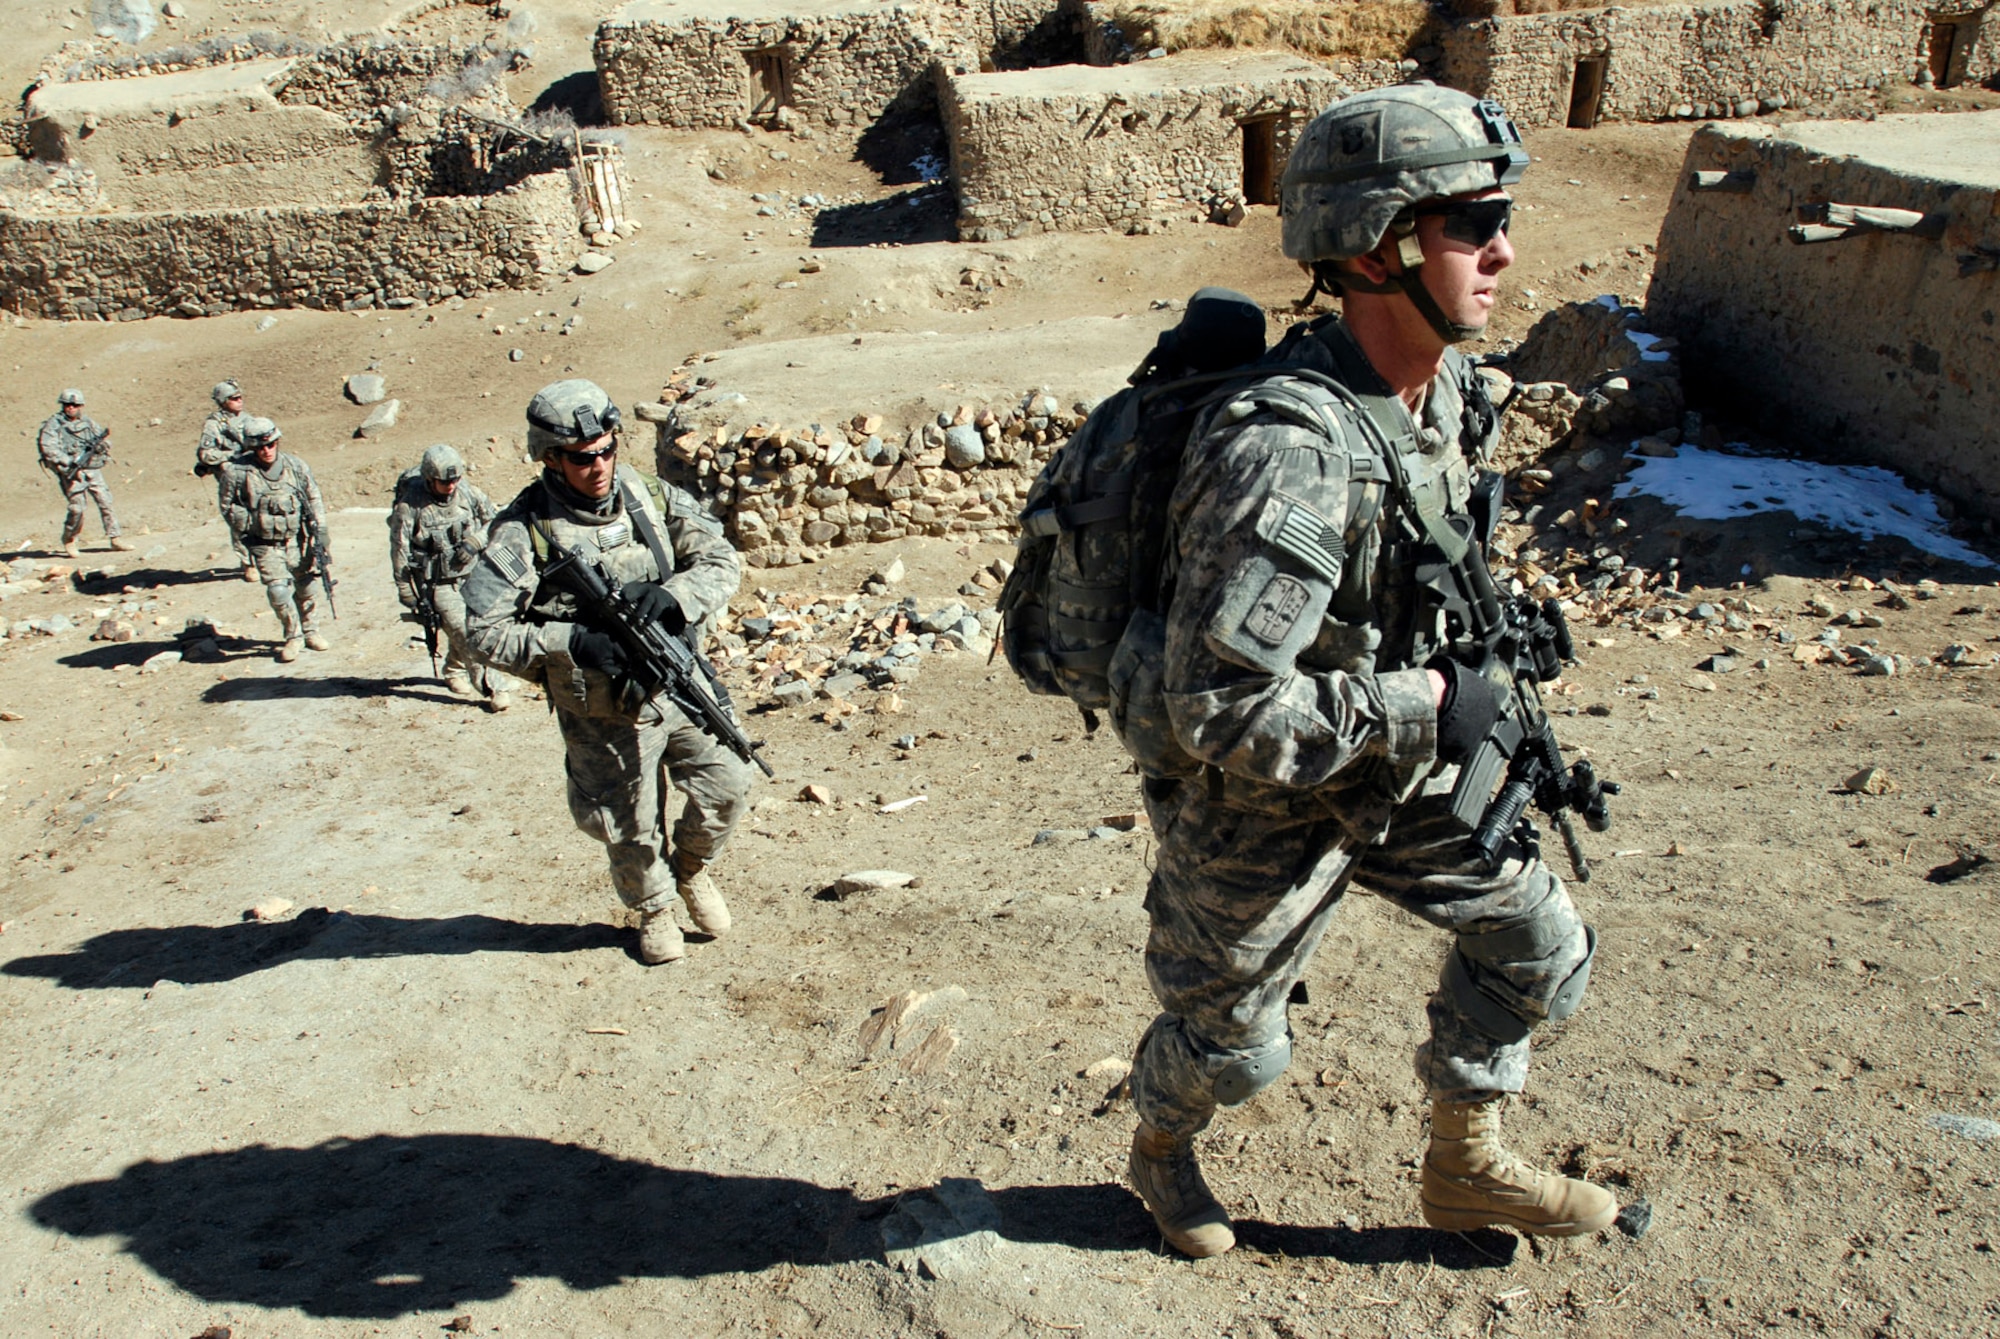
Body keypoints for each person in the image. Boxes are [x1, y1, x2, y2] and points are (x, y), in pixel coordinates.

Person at [1110, 84, 1616, 1257]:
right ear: (1379, 244)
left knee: (1537, 942)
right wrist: (1426, 701)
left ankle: (1467, 1167)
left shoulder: (1449, 397)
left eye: (1500, 216)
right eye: (1469, 220)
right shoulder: (1284, 450)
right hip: (1258, 803)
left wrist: (1475, 659)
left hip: (1395, 765)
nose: (1501, 248)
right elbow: (1218, 707)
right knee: (1234, 1049)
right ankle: (1156, 1147)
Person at [463, 380, 751, 965]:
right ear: (549, 456)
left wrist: (674, 597)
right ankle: (655, 909)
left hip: (676, 682)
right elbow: (481, 631)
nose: (598, 465)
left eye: (606, 449)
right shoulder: (524, 530)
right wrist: (573, 641)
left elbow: (722, 558)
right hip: (601, 709)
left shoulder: (649, 497)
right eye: (580, 457)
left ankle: (691, 870)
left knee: (728, 784)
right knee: (628, 824)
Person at [389, 443, 510, 711]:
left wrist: (476, 541)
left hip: (473, 576)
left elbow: (498, 520)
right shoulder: (410, 506)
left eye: (455, 479)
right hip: (438, 584)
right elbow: (399, 549)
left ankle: (454, 670)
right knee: (466, 633)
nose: (452, 486)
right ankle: (494, 688)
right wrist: (405, 590)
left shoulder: (468, 493)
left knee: (481, 625)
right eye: (445, 482)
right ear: (430, 479)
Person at [226, 417, 331, 663]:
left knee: (307, 586)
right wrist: (252, 524)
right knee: (278, 591)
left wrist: (321, 531)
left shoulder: (296, 467)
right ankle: (292, 635)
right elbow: (227, 506)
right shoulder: (237, 473)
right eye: (260, 447)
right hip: (265, 544)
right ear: (252, 447)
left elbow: (314, 497)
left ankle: (311, 630)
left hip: (298, 539)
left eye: (271, 444)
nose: (266, 450)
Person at [37, 389, 132, 558]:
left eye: (75, 405)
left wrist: (103, 446)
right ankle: (70, 539)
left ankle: (115, 538)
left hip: (91, 469)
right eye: (68, 405)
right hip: (72, 473)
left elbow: (102, 439)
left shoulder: (88, 422)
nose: (71, 408)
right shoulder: (53, 425)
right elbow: (48, 448)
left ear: (81, 406)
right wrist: (68, 460)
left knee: (106, 502)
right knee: (77, 508)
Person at [195, 379, 254, 581]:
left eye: (240, 397)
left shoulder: (248, 419)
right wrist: (230, 456)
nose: (240, 401)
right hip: (231, 479)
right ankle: (247, 564)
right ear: (223, 401)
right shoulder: (213, 425)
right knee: (239, 520)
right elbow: (206, 454)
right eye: (234, 398)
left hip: (253, 476)